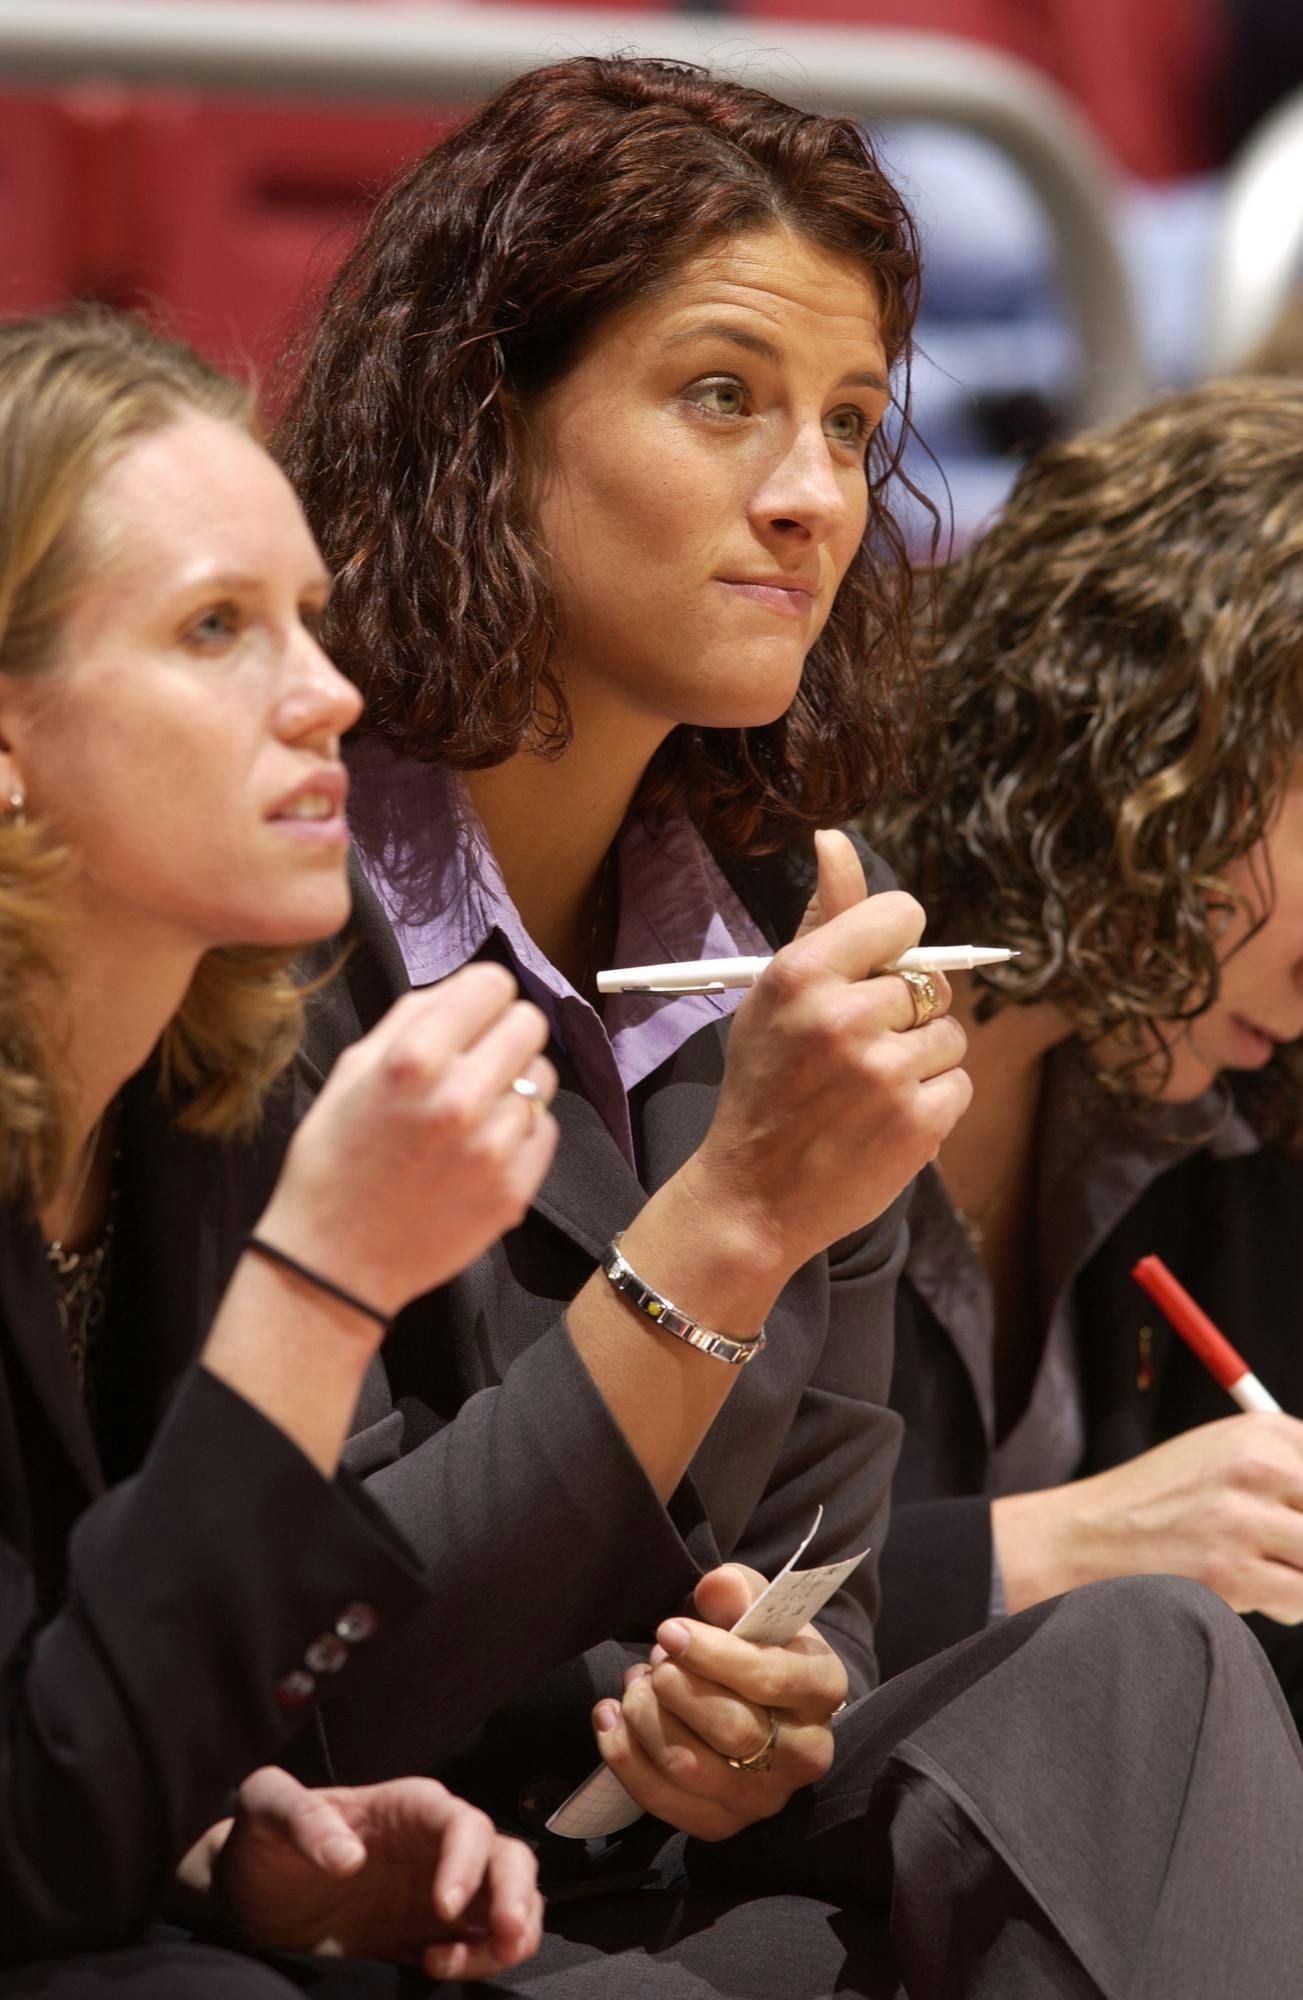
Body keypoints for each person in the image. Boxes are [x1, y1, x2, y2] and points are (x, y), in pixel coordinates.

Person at [282, 58, 1303, 2000]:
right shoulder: (285, 927)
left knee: (1146, 1661)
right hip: (367, 1895)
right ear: (478, 421)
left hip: (672, 1878)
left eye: (850, 423)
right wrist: (740, 1206)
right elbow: (322, 1683)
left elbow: (813, 1577)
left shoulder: (772, 928)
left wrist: (763, 1701)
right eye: (722, 397)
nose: (813, 495)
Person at [0, 310, 557, 1995]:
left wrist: (243, 1858)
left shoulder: (216, 1077)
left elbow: (77, 1727)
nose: (330, 696)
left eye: (306, 619)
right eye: (216, 628)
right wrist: (326, 1281)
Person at [864, 377, 1303, 1709]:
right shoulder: (771, 1018)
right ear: (1176, 736)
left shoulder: (1228, 1079)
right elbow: (604, 1611)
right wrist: (1054, 1548)